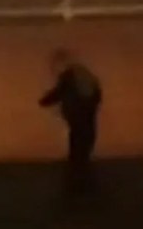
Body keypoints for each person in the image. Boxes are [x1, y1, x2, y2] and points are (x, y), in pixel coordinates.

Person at [39, 48, 103, 203]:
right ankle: (87, 191)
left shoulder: (68, 77)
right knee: (83, 155)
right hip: (88, 123)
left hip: (77, 123)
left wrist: (43, 101)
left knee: (75, 157)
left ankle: (75, 193)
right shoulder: (87, 77)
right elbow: (97, 96)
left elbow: (56, 94)